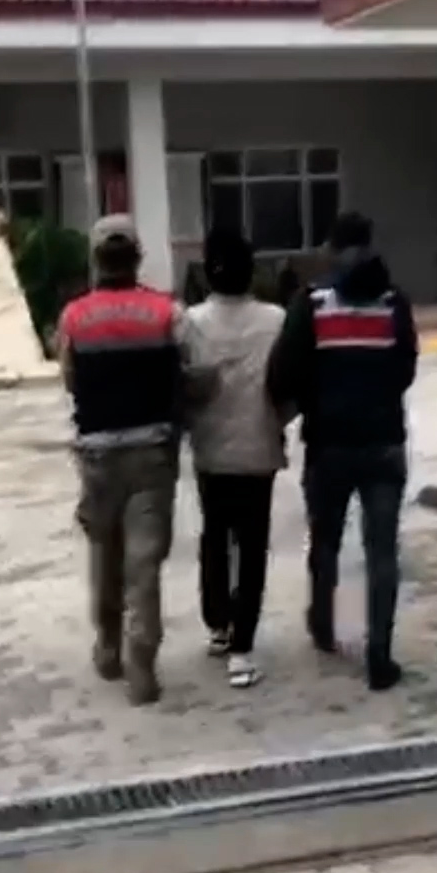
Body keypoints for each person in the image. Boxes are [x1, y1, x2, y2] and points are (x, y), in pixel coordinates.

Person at [266, 212, 419, 692]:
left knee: (325, 540)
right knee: (382, 550)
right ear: (370, 245)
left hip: (328, 444)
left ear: (332, 250)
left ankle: (323, 624)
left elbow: (283, 372)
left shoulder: (312, 302)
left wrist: (313, 400)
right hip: (384, 443)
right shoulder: (394, 303)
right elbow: (405, 369)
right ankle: (380, 654)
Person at [55, 215, 189, 706]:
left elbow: (70, 379)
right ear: (137, 257)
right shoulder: (166, 312)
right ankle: (142, 664)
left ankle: (108, 646)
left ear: (96, 259)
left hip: (97, 456)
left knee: (104, 552)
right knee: (144, 560)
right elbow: (188, 373)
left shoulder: (74, 317)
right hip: (152, 453)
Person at [183, 228, 289, 689]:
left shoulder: (190, 322)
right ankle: (243, 647)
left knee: (215, 536)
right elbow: (289, 383)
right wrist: (278, 418)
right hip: (259, 447)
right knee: (252, 546)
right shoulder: (277, 319)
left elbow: (185, 386)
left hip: (210, 450)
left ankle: (218, 625)